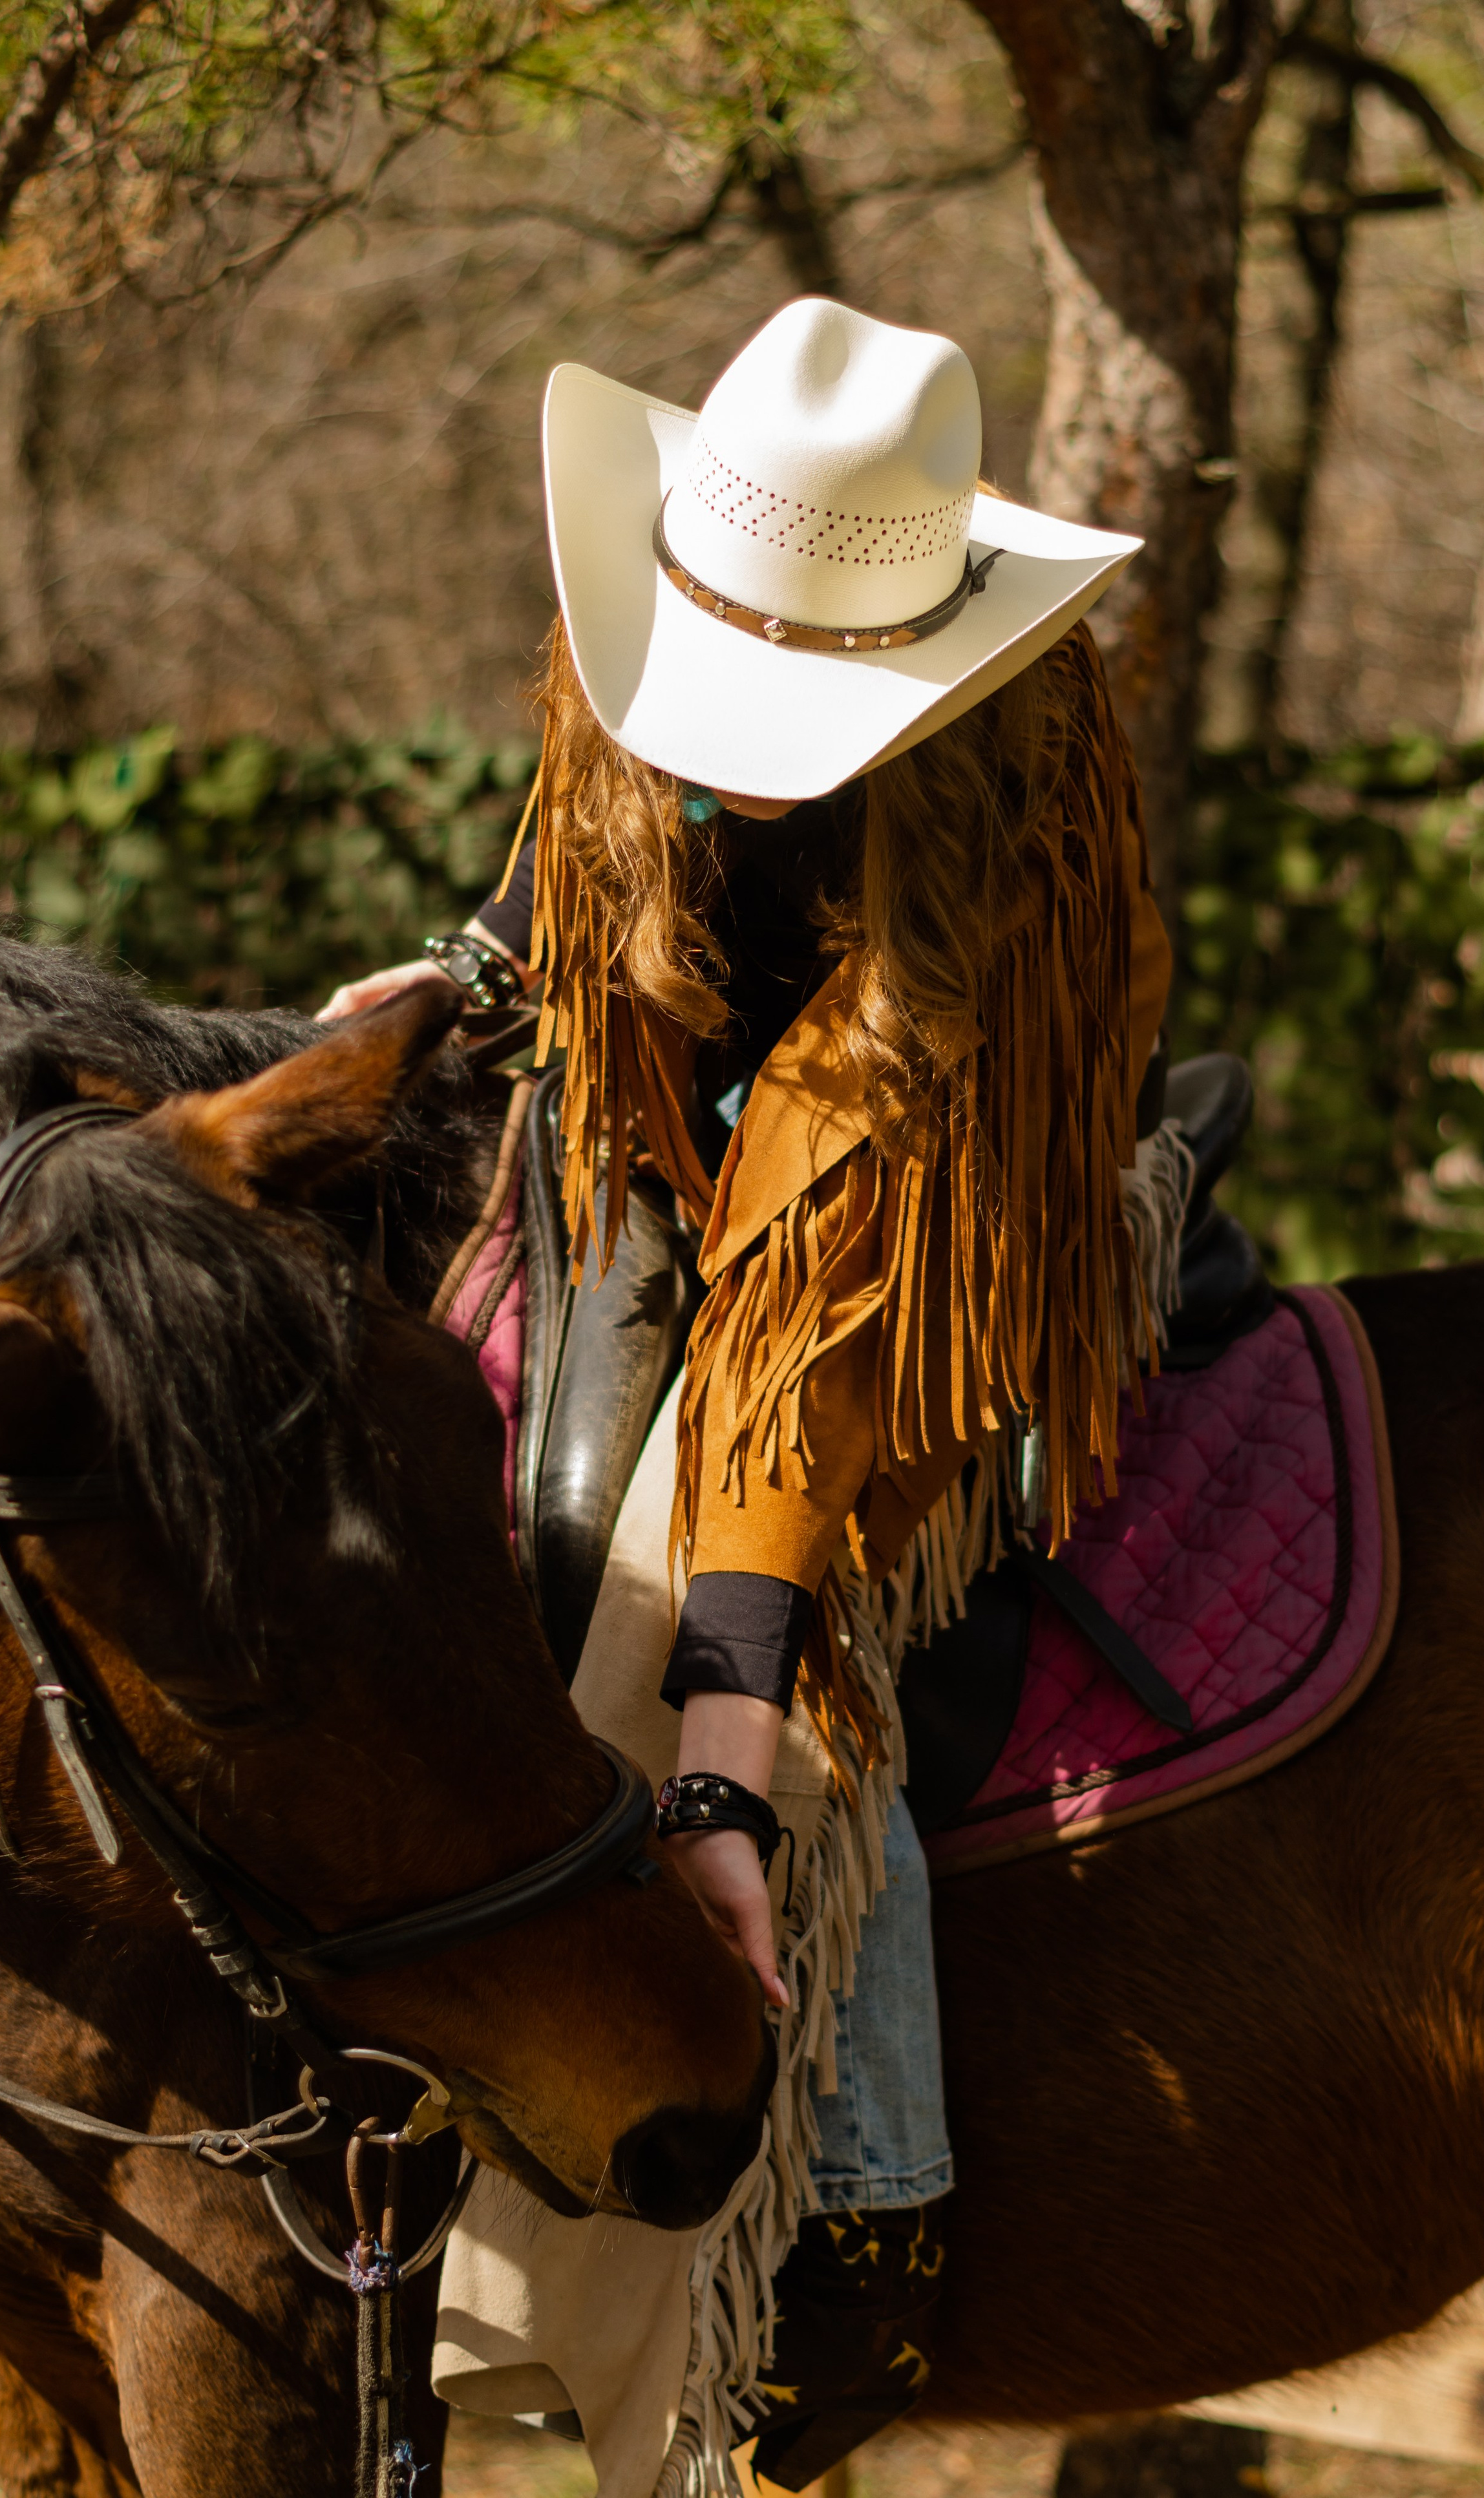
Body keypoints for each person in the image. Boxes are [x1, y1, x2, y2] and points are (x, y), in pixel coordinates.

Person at [321, 295, 1176, 2498]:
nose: (730, 730)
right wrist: (457, 977)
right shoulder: (663, 590)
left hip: (939, 1184)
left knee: (759, 1604)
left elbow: (811, 1324)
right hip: (674, 1110)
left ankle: (852, 2190)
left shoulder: (1013, 799)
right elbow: (582, 871)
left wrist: (717, 1774)